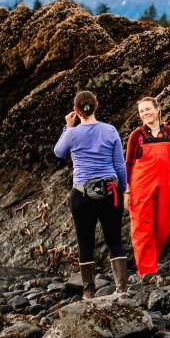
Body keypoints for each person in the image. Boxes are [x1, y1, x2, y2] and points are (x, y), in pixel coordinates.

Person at [53, 90, 128, 298]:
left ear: (75, 110)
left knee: (85, 243)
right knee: (114, 240)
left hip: (82, 195)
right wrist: (123, 189)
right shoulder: (110, 130)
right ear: (97, 105)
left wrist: (67, 127)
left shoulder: (72, 133)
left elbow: (58, 152)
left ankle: (88, 294)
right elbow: (120, 165)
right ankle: (122, 291)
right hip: (110, 193)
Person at [125, 96, 170, 281]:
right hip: (140, 187)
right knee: (142, 230)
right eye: (142, 111)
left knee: (163, 227)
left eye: (148, 109)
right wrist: (126, 191)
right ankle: (147, 272)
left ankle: (150, 264)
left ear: (158, 108)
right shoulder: (137, 136)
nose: (145, 113)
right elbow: (127, 165)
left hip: (165, 186)